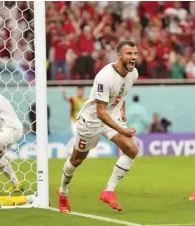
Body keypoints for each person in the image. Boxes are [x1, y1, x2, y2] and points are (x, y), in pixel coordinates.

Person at [57, 40, 139, 213]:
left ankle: (108, 191)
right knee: (77, 159)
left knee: (131, 149)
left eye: (135, 54)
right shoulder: (104, 77)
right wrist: (122, 129)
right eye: (129, 54)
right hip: (92, 120)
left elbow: (122, 94)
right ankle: (63, 191)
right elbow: (100, 112)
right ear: (119, 55)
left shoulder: (133, 74)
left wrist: (121, 111)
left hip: (112, 116)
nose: (133, 57)